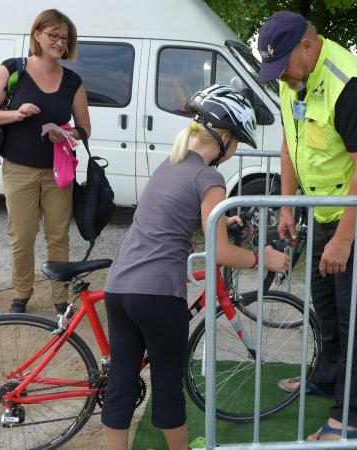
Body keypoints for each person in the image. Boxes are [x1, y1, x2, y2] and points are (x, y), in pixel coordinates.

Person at [101, 85, 290, 450]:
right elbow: (220, 252)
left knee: (121, 380)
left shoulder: (169, 164)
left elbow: (171, 215)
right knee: (168, 385)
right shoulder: (210, 178)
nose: (235, 151)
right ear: (224, 138)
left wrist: (222, 220)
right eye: (238, 142)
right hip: (158, 293)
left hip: (119, 287)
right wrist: (262, 258)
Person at [258, 11, 357, 441]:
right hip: (323, 210)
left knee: (356, 315)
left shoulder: (352, 86)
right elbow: (290, 144)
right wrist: (287, 207)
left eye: (282, 66)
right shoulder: (292, 81)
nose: (281, 78)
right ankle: (327, 375)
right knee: (325, 302)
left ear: (307, 45)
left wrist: (343, 239)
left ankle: (350, 413)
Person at [0, 9, 91, 314]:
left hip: (58, 171)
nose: (60, 43)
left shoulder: (73, 81)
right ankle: (21, 293)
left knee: (58, 236)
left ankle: (60, 297)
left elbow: (84, 128)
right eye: (54, 36)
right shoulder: (12, 69)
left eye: (65, 38)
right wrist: (16, 114)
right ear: (37, 35)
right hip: (19, 169)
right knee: (22, 235)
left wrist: (66, 134)